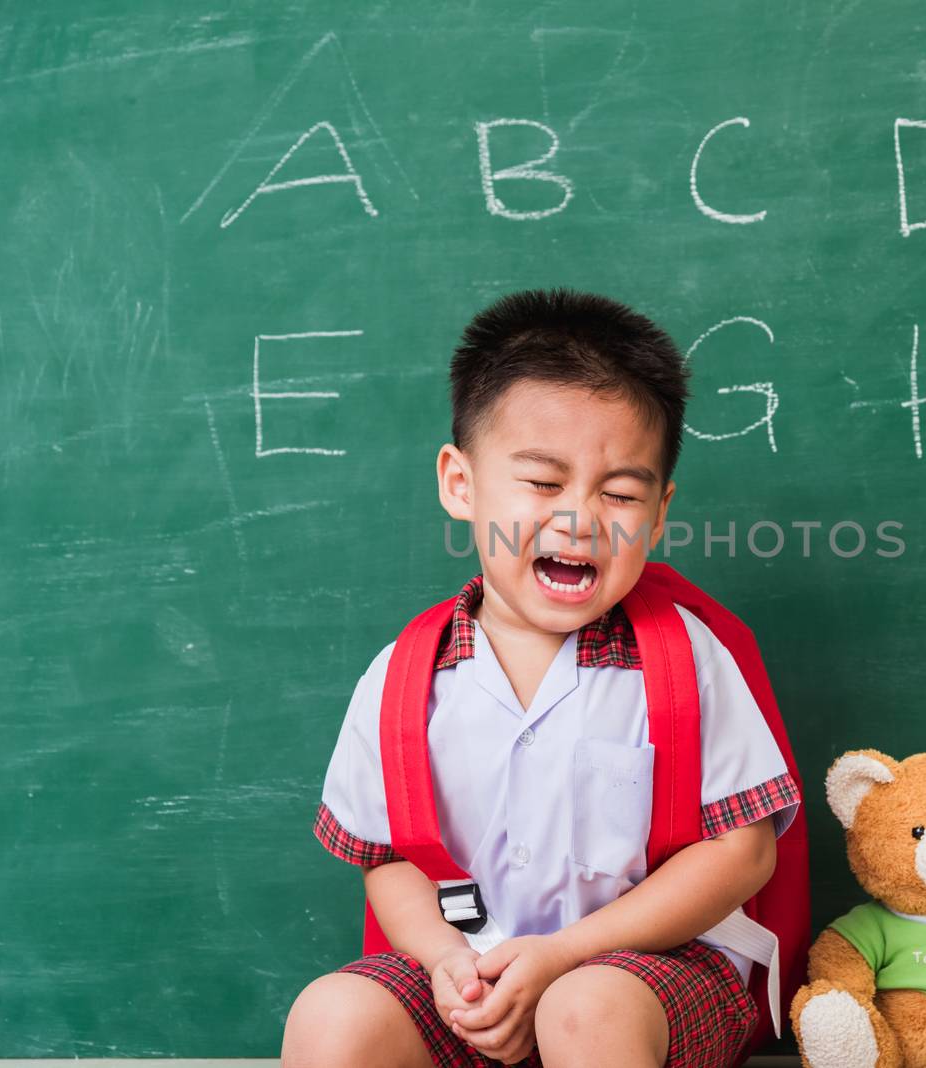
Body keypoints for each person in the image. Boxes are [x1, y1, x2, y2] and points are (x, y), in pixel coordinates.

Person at [282, 289, 801, 1068]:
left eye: (621, 494)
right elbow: (389, 859)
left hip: (651, 973)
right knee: (333, 1015)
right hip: (477, 971)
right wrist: (445, 962)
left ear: (658, 516)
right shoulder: (401, 681)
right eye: (542, 482)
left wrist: (563, 956)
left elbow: (743, 853)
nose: (581, 519)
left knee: (583, 1009)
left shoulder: (686, 658)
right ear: (461, 484)